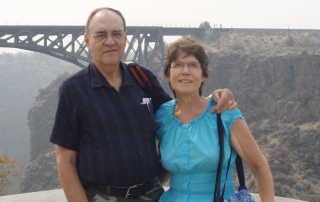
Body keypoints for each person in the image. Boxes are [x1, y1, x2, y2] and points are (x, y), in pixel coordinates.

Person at [50, 7, 237, 202]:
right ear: (87, 41)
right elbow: (65, 161)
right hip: (102, 197)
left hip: (151, 195)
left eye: (116, 33)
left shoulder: (142, 78)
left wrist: (214, 98)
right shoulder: (73, 89)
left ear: (126, 37)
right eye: (100, 35)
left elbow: (180, 113)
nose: (110, 41)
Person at [155, 36, 274, 202]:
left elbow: (259, 167)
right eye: (178, 65)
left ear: (204, 75)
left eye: (193, 65)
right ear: (168, 73)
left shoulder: (224, 113)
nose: (185, 71)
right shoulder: (162, 116)